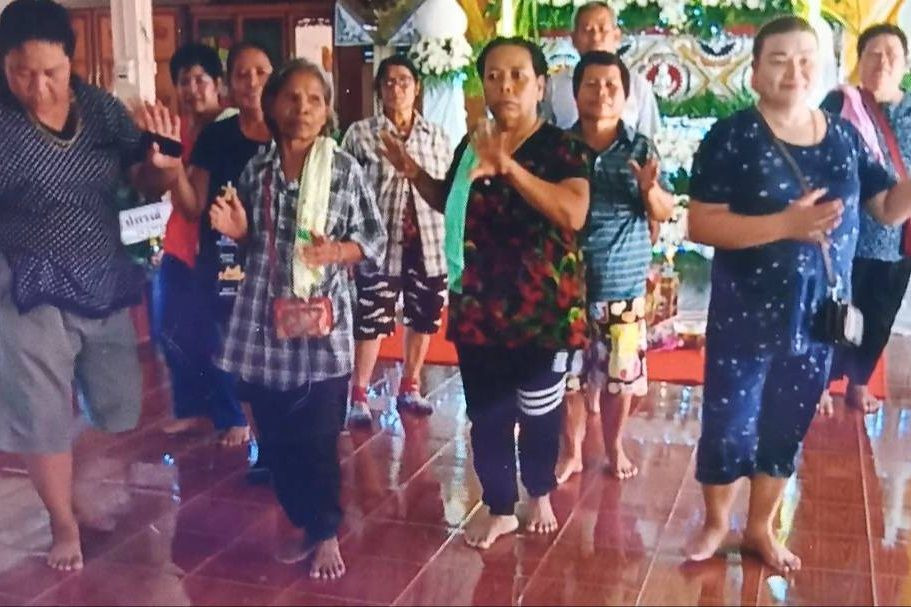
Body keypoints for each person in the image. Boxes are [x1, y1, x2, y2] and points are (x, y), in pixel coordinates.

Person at [684, 16, 911, 573]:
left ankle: (760, 527)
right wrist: (784, 225)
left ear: (822, 68)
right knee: (729, 422)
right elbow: (702, 224)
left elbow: (886, 208)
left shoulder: (843, 137)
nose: (794, 70)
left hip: (818, 317)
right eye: (779, 59)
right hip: (744, 312)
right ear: (755, 72)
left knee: (786, 424)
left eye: (806, 59)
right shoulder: (731, 136)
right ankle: (716, 522)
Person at [381, 37, 591, 549]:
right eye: (494, 76)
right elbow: (451, 198)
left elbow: (572, 212)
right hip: (479, 305)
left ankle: (539, 492)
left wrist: (510, 167)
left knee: (540, 412)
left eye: (518, 75)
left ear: (540, 86)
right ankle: (500, 507)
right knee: (488, 416)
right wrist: (415, 174)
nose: (505, 86)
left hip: (543, 312)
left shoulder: (562, 148)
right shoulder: (473, 144)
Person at [0, 0, 182, 571]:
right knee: (41, 412)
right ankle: (62, 522)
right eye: (21, 72)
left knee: (118, 406)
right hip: (25, 284)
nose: (37, 87)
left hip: (103, 277)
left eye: (50, 72)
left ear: (71, 63)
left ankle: (73, 476)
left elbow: (144, 180)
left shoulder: (101, 111)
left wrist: (163, 165)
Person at [211, 59, 386, 579]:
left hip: (323, 330)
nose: (302, 108)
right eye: (292, 97)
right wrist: (239, 232)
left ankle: (326, 530)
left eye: (314, 99)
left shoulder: (344, 170)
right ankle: (305, 518)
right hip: (264, 327)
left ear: (327, 110)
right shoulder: (257, 171)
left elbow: (373, 240)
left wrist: (337, 252)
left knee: (317, 437)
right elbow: (250, 245)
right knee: (277, 442)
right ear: (272, 105)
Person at [556, 51, 675, 484]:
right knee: (568, 377)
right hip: (566, 283)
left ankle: (614, 446)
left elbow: (664, 210)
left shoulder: (640, 148)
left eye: (611, 85)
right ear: (576, 93)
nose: (602, 92)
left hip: (622, 286)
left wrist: (648, 190)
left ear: (625, 95)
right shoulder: (559, 146)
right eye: (591, 84)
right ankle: (571, 451)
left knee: (620, 378)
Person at [162, 42, 274, 454]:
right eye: (242, 74)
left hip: (274, 258)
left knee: (274, 343)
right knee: (223, 340)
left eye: (261, 72)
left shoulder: (289, 131)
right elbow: (192, 206)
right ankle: (237, 417)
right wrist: (173, 168)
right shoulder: (215, 136)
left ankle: (276, 431)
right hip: (224, 260)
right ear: (229, 84)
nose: (252, 82)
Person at [341, 55, 452, 424]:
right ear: (378, 90)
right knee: (371, 317)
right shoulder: (360, 134)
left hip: (428, 241)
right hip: (379, 242)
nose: (397, 88)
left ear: (417, 88)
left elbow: (447, 189)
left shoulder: (436, 136)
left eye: (404, 81)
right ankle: (358, 395)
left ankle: (410, 386)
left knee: (424, 316)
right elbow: (347, 190)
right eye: (388, 82)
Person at [817, 24, 911, 416]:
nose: (882, 62)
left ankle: (858, 383)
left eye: (892, 55)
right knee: (831, 312)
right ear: (859, 60)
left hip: (899, 233)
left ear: (906, 64)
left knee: (879, 316)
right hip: (845, 232)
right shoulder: (842, 104)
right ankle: (820, 383)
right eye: (873, 53)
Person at [544, 0, 661, 137]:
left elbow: (650, 139)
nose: (595, 37)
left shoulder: (637, 85)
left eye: (602, 29)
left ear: (616, 36)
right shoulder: (555, 84)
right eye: (587, 30)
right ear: (573, 39)